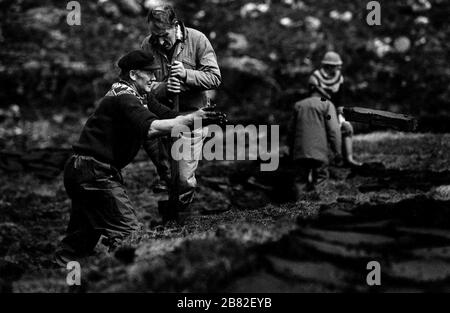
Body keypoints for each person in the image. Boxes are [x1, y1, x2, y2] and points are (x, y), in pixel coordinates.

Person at [54, 50, 224, 265]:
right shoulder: (124, 97)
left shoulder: (141, 97)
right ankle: (124, 280)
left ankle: (63, 280)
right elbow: (151, 128)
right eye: (149, 73)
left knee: (81, 239)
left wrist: (201, 118)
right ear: (133, 74)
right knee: (130, 236)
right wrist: (192, 119)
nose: (154, 78)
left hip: (83, 171)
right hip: (94, 173)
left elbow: (168, 117)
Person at [140, 4, 221, 220]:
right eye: (154, 35)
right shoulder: (148, 46)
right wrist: (164, 87)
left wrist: (186, 75)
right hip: (162, 118)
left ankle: (180, 217)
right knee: (168, 174)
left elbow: (214, 77)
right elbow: (144, 85)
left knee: (184, 178)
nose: (158, 40)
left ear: (175, 25)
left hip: (191, 117)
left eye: (163, 34)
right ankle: (173, 215)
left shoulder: (197, 39)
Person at [308, 51, 362, 167]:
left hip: (334, 111)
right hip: (319, 113)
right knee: (330, 132)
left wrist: (340, 116)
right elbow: (314, 100)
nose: (338, 68)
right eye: (336, 66)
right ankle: (332, 159)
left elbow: (340, 99)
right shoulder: (315, 77)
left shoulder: (339, 77)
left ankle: (348, 159)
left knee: (347, 128)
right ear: (328, 66)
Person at [290, 85, 342, 193]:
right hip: (319, 152)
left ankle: (300, 205)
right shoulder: (326, 104)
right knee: (320, 179)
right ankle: (320, 205)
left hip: (300, 152)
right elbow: (333, 129)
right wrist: (337, 151)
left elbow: (291, 130)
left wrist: (291, 150)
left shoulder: (299, 105)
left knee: (300, 180)